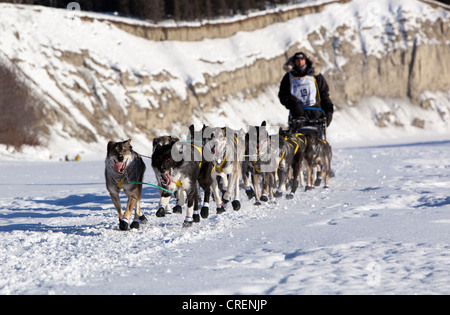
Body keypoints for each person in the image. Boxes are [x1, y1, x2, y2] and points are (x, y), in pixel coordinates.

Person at [278, 52, 334, 138]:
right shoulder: (288, 77)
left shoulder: (315, 76)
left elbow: (324, 94)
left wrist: (329, 110)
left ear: (306, 61)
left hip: (316, 115)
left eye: (302, 60)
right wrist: (293, 103)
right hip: (297, 116)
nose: (300, 63)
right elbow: (283, 95)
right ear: (294, 62)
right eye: (297, 61)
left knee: (317, 145)